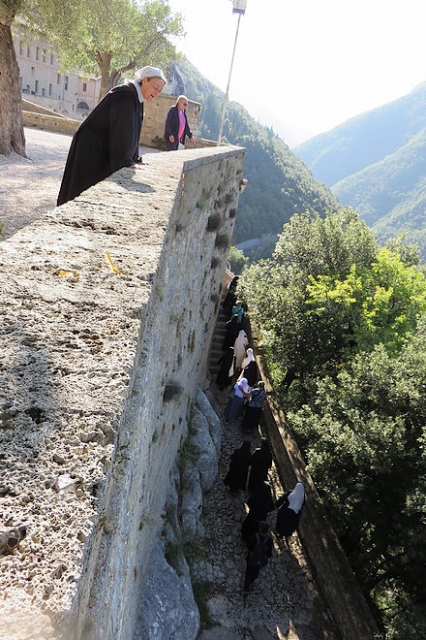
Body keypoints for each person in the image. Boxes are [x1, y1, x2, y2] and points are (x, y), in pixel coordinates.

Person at [57, 66, 167, 206]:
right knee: (80, 189)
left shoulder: (135, 97)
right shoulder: (126, 95)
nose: (156, 93)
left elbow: (132, 131)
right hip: (90, 146)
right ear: (145, 80)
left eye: (160, 90)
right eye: (155, 87)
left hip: (98, 145)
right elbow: (122, 131)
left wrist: (134, 158)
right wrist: (125, 161)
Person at [243, 521, 273, 597]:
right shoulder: (269, 540)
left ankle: (246, 588)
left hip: (251, 558)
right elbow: (269, 553)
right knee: (256, 571)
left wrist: (245, 553)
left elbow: (248, 547)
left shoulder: (254, 536)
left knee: (248, 572)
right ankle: (252, 581)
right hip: (261, 560)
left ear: (259, 528)